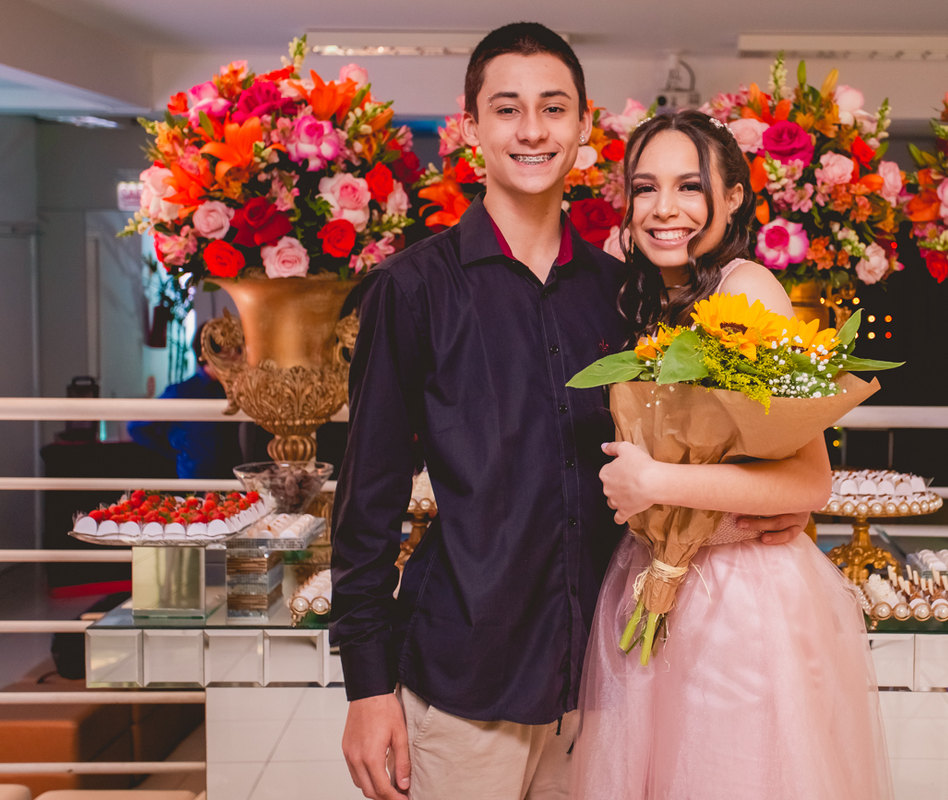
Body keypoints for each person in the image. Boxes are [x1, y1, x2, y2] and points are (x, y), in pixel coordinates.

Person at [330, 24, 809, 800]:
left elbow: (684, 455)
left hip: (604, 683)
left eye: (553, 108)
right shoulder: (413, 290)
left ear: (584, 126)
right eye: (507, 109)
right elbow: (367, 503)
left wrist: (755, 505)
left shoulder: (622, 296)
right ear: (470, 127)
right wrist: (366, 685)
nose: (532, 130)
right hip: (465, 680)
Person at [571, 111, 893, 799]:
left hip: (740, 597)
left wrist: (654, 481)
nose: (664, 209)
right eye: (645, 188)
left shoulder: (744, 291)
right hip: (654, 574)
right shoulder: (644, 297)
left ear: (734, 196)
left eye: (689, 186)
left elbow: (808, 480)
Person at [128, 321, 241, 478]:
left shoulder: (235, 390)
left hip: (232, 479)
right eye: (234, 349)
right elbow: (136, 426)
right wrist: (176, 451)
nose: (239, 357)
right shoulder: (182, 391)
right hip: (196, 480)